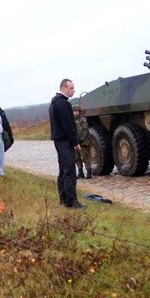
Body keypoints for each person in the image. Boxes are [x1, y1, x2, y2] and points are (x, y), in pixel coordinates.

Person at [49, 79, 85, 208]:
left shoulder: (54, 103)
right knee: (69, 171)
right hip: (64, 141)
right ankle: (71, 201)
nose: (73, 90)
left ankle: (63, 199)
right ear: (63, 88)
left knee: (63, 170)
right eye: (71, 88)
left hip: (59, 141)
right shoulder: (63, 103)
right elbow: (68, 126)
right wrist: (75, 142)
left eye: (73, 88)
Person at [72, 102, 92, 179]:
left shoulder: (82, 120)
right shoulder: (71, 120)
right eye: (74, 111)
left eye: (77, 111)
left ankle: (89, 173)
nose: (75, 112)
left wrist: (81, 139)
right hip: (75, 142)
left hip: (82, 142)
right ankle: (80, 173)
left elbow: (85, 130)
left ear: (79, 111)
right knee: (76, 158)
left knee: (85, 157)